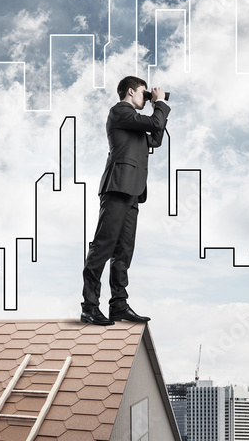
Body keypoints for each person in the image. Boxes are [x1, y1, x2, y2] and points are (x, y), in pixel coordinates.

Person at [81, 76, 170, 326]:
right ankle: (89, 307)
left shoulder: (135, 123)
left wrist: (158, 107)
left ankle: (118, 305)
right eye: (144, 92)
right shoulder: (121, 111)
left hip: (133, 190)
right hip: (117, 188)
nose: (147, 97)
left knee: (124, 251)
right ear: (131, 92)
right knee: (103, 247)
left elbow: (156, 137)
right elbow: (154, 123)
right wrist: (160, 104)